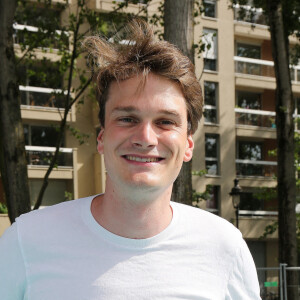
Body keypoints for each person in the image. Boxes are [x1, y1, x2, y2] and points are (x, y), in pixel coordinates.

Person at [0, 19, 261, 299]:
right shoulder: (27, 241)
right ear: (102, 139)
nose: (145, 137)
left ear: (187, 146)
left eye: (165, 121)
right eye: (127, 118)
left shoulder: (225, 247)